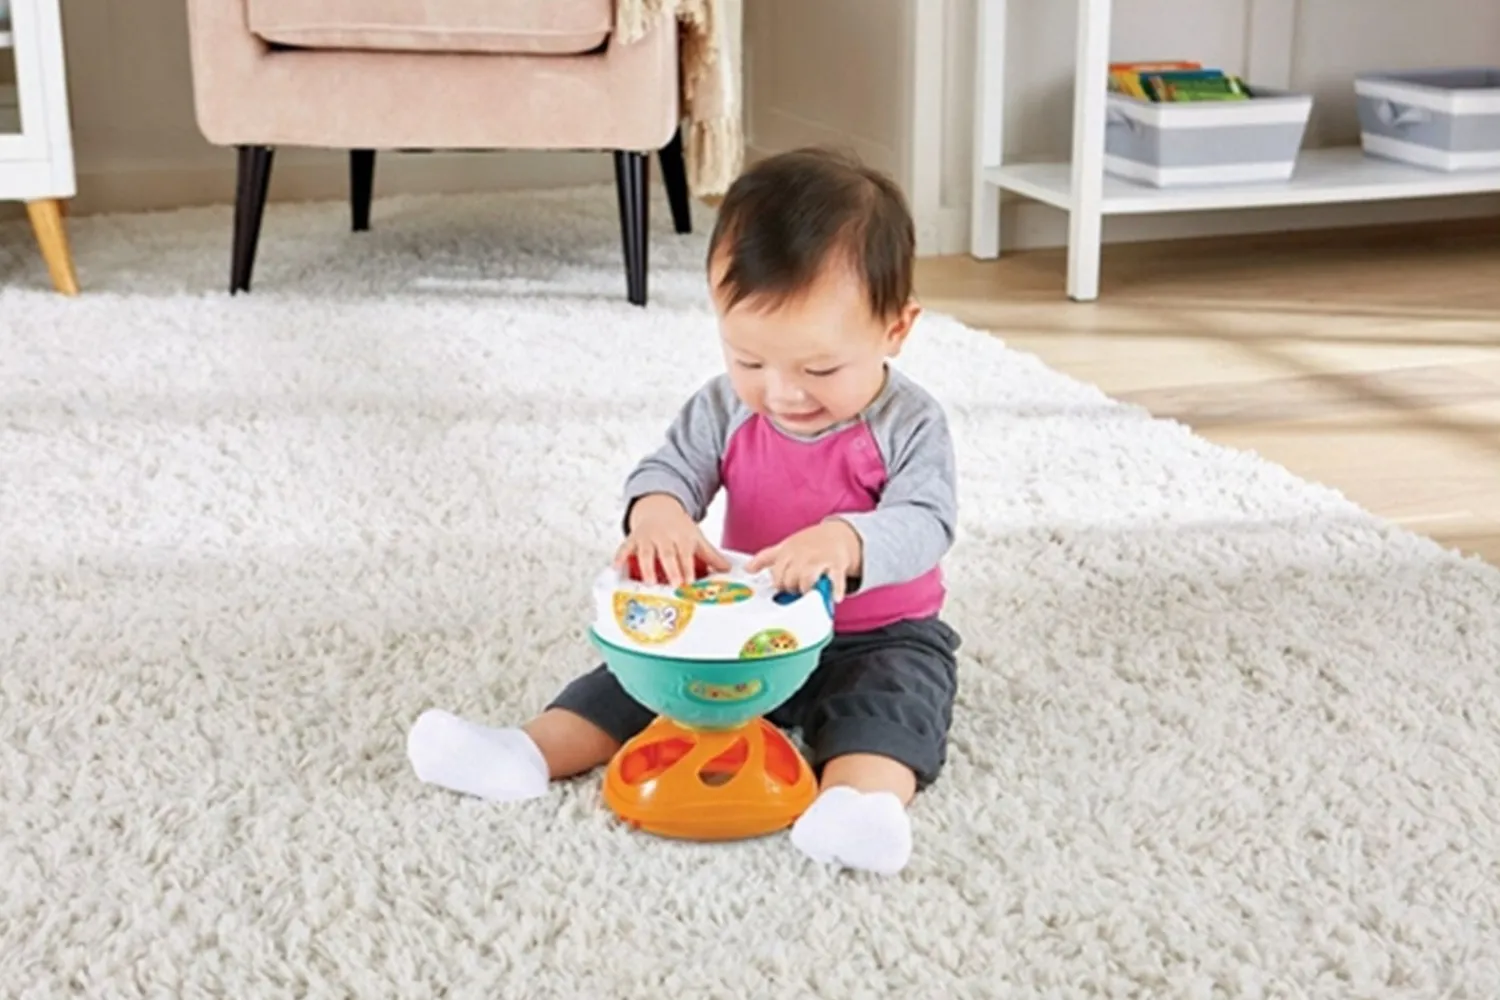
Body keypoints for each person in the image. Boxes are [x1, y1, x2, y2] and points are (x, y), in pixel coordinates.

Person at [407, 147, 962, 876]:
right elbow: (669, 468)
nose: (783, 392)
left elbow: (927, 519)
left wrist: (844, 542)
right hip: (741, 628)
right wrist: (659, 514)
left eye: (820, 368)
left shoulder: (909, 423)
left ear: (895, 328)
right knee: (636, 679)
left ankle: (855, 807)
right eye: (749, 360)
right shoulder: (725, 407)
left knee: (889, 709)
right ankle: (526, 752)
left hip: (878, 635)